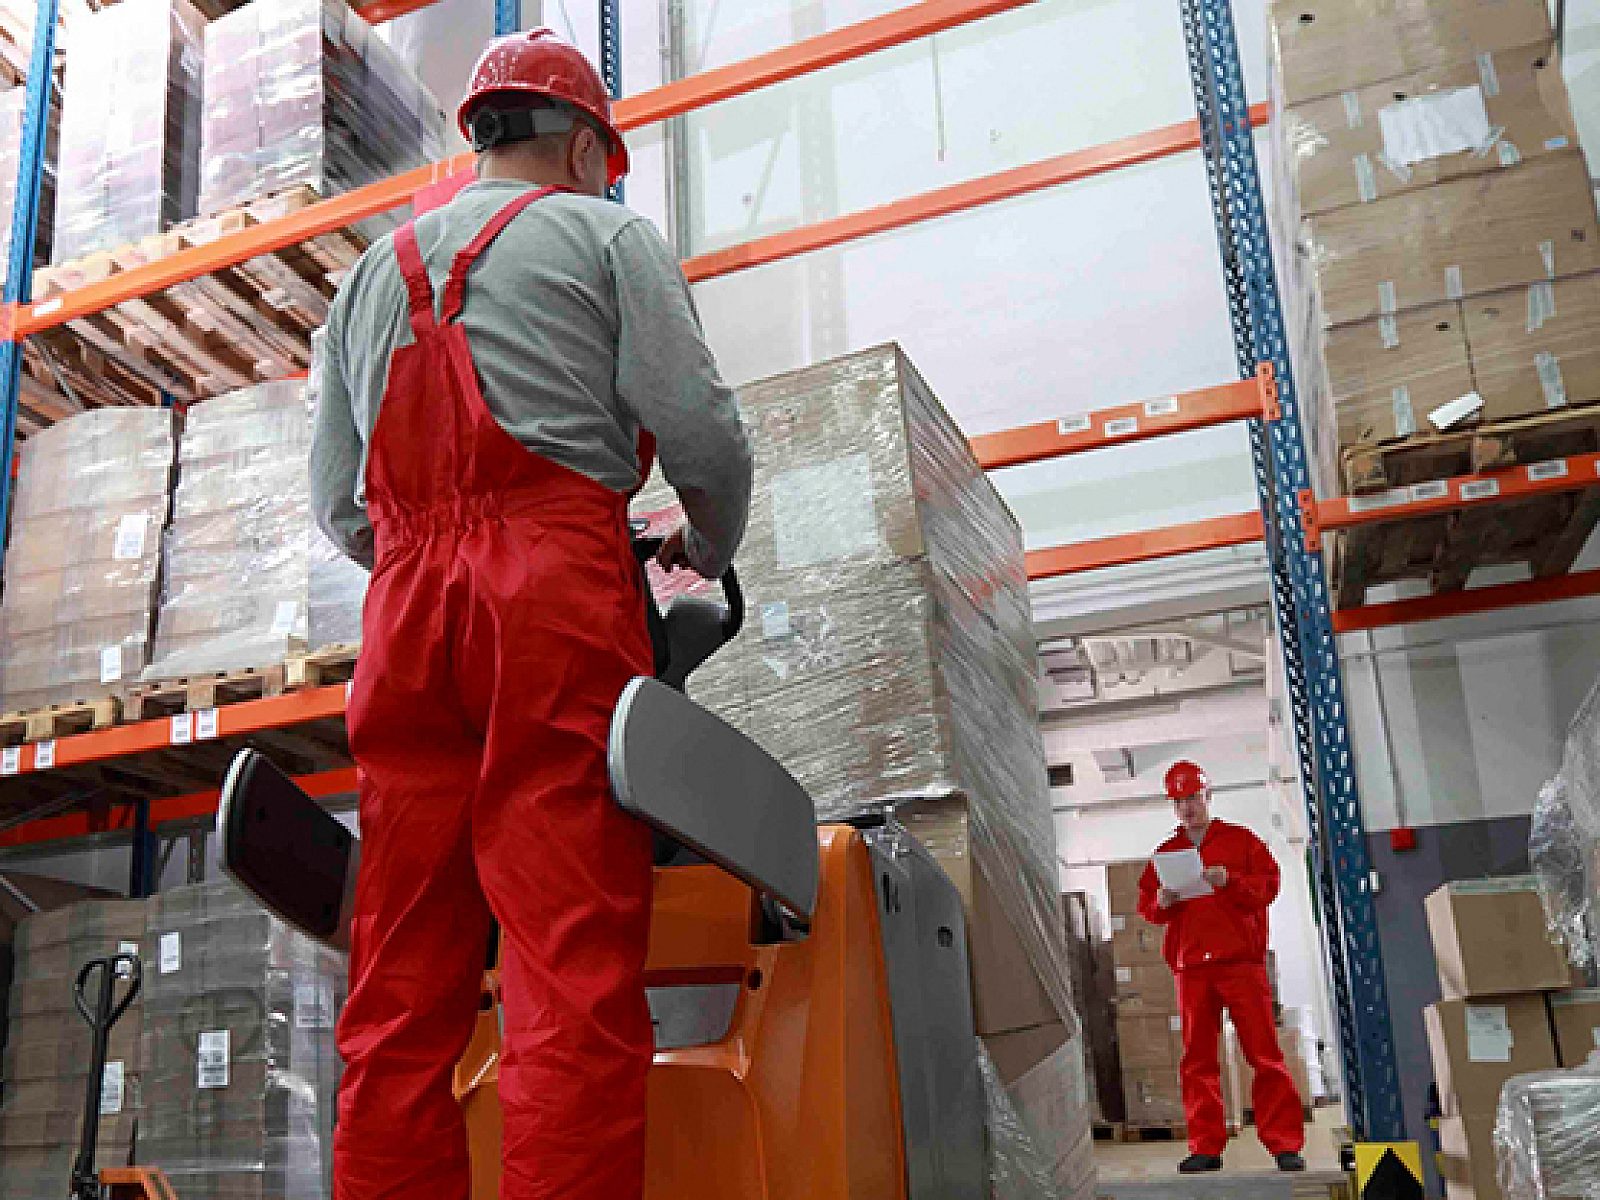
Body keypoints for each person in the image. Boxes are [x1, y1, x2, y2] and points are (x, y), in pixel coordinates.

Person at [310, 29, 753, 1200]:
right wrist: (703, 543)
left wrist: (420, 552)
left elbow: (335, 506)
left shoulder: (367, 275)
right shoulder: (608, 235)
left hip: (404, 616)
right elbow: (702, 434)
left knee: (399, 976)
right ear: (581, 145)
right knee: (563, 960)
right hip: (551, 599)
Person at [1136, 760, 1307, 1175]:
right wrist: (1162, 902)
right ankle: (1206, 1147)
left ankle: (1284, 1144)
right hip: (1192, 967)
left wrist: (1229, 879)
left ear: (1207, 795)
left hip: (1240, 964)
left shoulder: (1241, 842)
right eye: (1179, 801)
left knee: (1264, 1055)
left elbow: (1268, 886)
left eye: (1192, 797)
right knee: (1196, 1059)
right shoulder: (1166, 854)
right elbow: (1147, 906)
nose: (1187, 808)